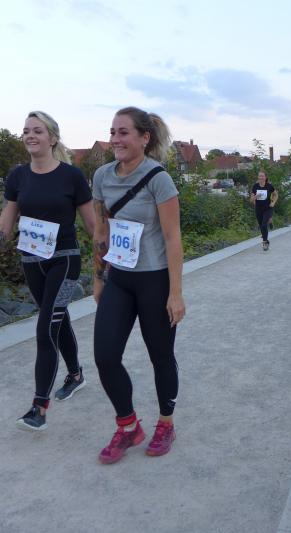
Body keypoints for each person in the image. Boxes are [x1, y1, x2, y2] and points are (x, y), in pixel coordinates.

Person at [0, 111, 95, 431]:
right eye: (26, 130)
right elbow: (5, 223)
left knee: (45, 328)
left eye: (38, 131)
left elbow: (92, 224)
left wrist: (105, 263)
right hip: (31, 261)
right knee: (57, 319)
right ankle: (76, 375)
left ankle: (39, 407)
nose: (30, 135)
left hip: (64, 260)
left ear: (52, 138)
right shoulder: (18, 176)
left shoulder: (71, 176)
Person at [91, 106, 185, 464]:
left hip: (154, 279)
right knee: (105, 356)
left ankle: (166, 424)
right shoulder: (102, 176)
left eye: (123, 132)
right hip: (118, 277)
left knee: (160, 356)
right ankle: (128, 426)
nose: (115, 139)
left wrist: (175, 293)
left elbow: (173, 238)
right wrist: (98, 277)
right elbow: (101, 231)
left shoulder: (159, 179)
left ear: (144, 138)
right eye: (112, 132)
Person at [250, 170, 278, 251]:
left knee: (263, 225)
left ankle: (265, 242)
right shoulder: (255, 186)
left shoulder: (269, 186)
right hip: (258, 209)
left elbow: (276, 195)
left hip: (268, 208)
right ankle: (269, 221)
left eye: (262, 176)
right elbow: (251, 200)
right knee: (261, 226)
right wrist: (255, 197)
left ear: (265, 177)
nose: (261, 177)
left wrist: (273, 202)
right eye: (259, 176)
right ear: (258, 177)